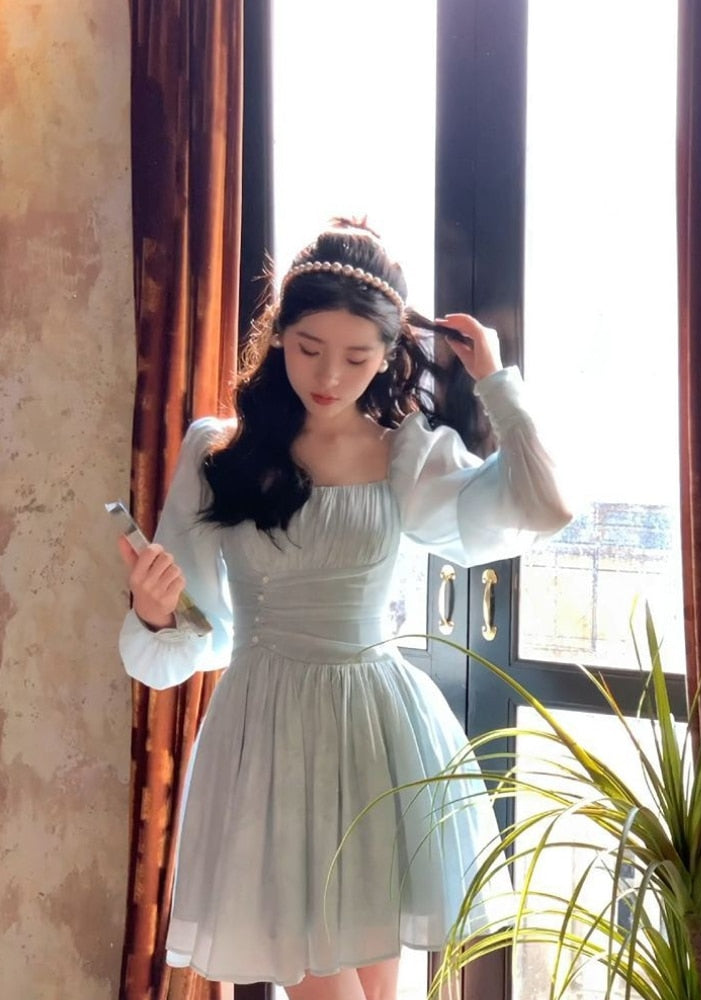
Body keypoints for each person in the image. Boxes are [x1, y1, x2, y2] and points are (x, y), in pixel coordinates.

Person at [118, 220, 572, 1000]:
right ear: (278, 336)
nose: (329, 375)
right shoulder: (218, 452)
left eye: (357, 357)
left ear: (390, 355)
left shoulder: (408, 455)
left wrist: (496, 381)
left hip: (378, 734)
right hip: (267, 737)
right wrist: (155, 613)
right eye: (308, 348)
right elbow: (194, 637)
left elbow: (544, 506)